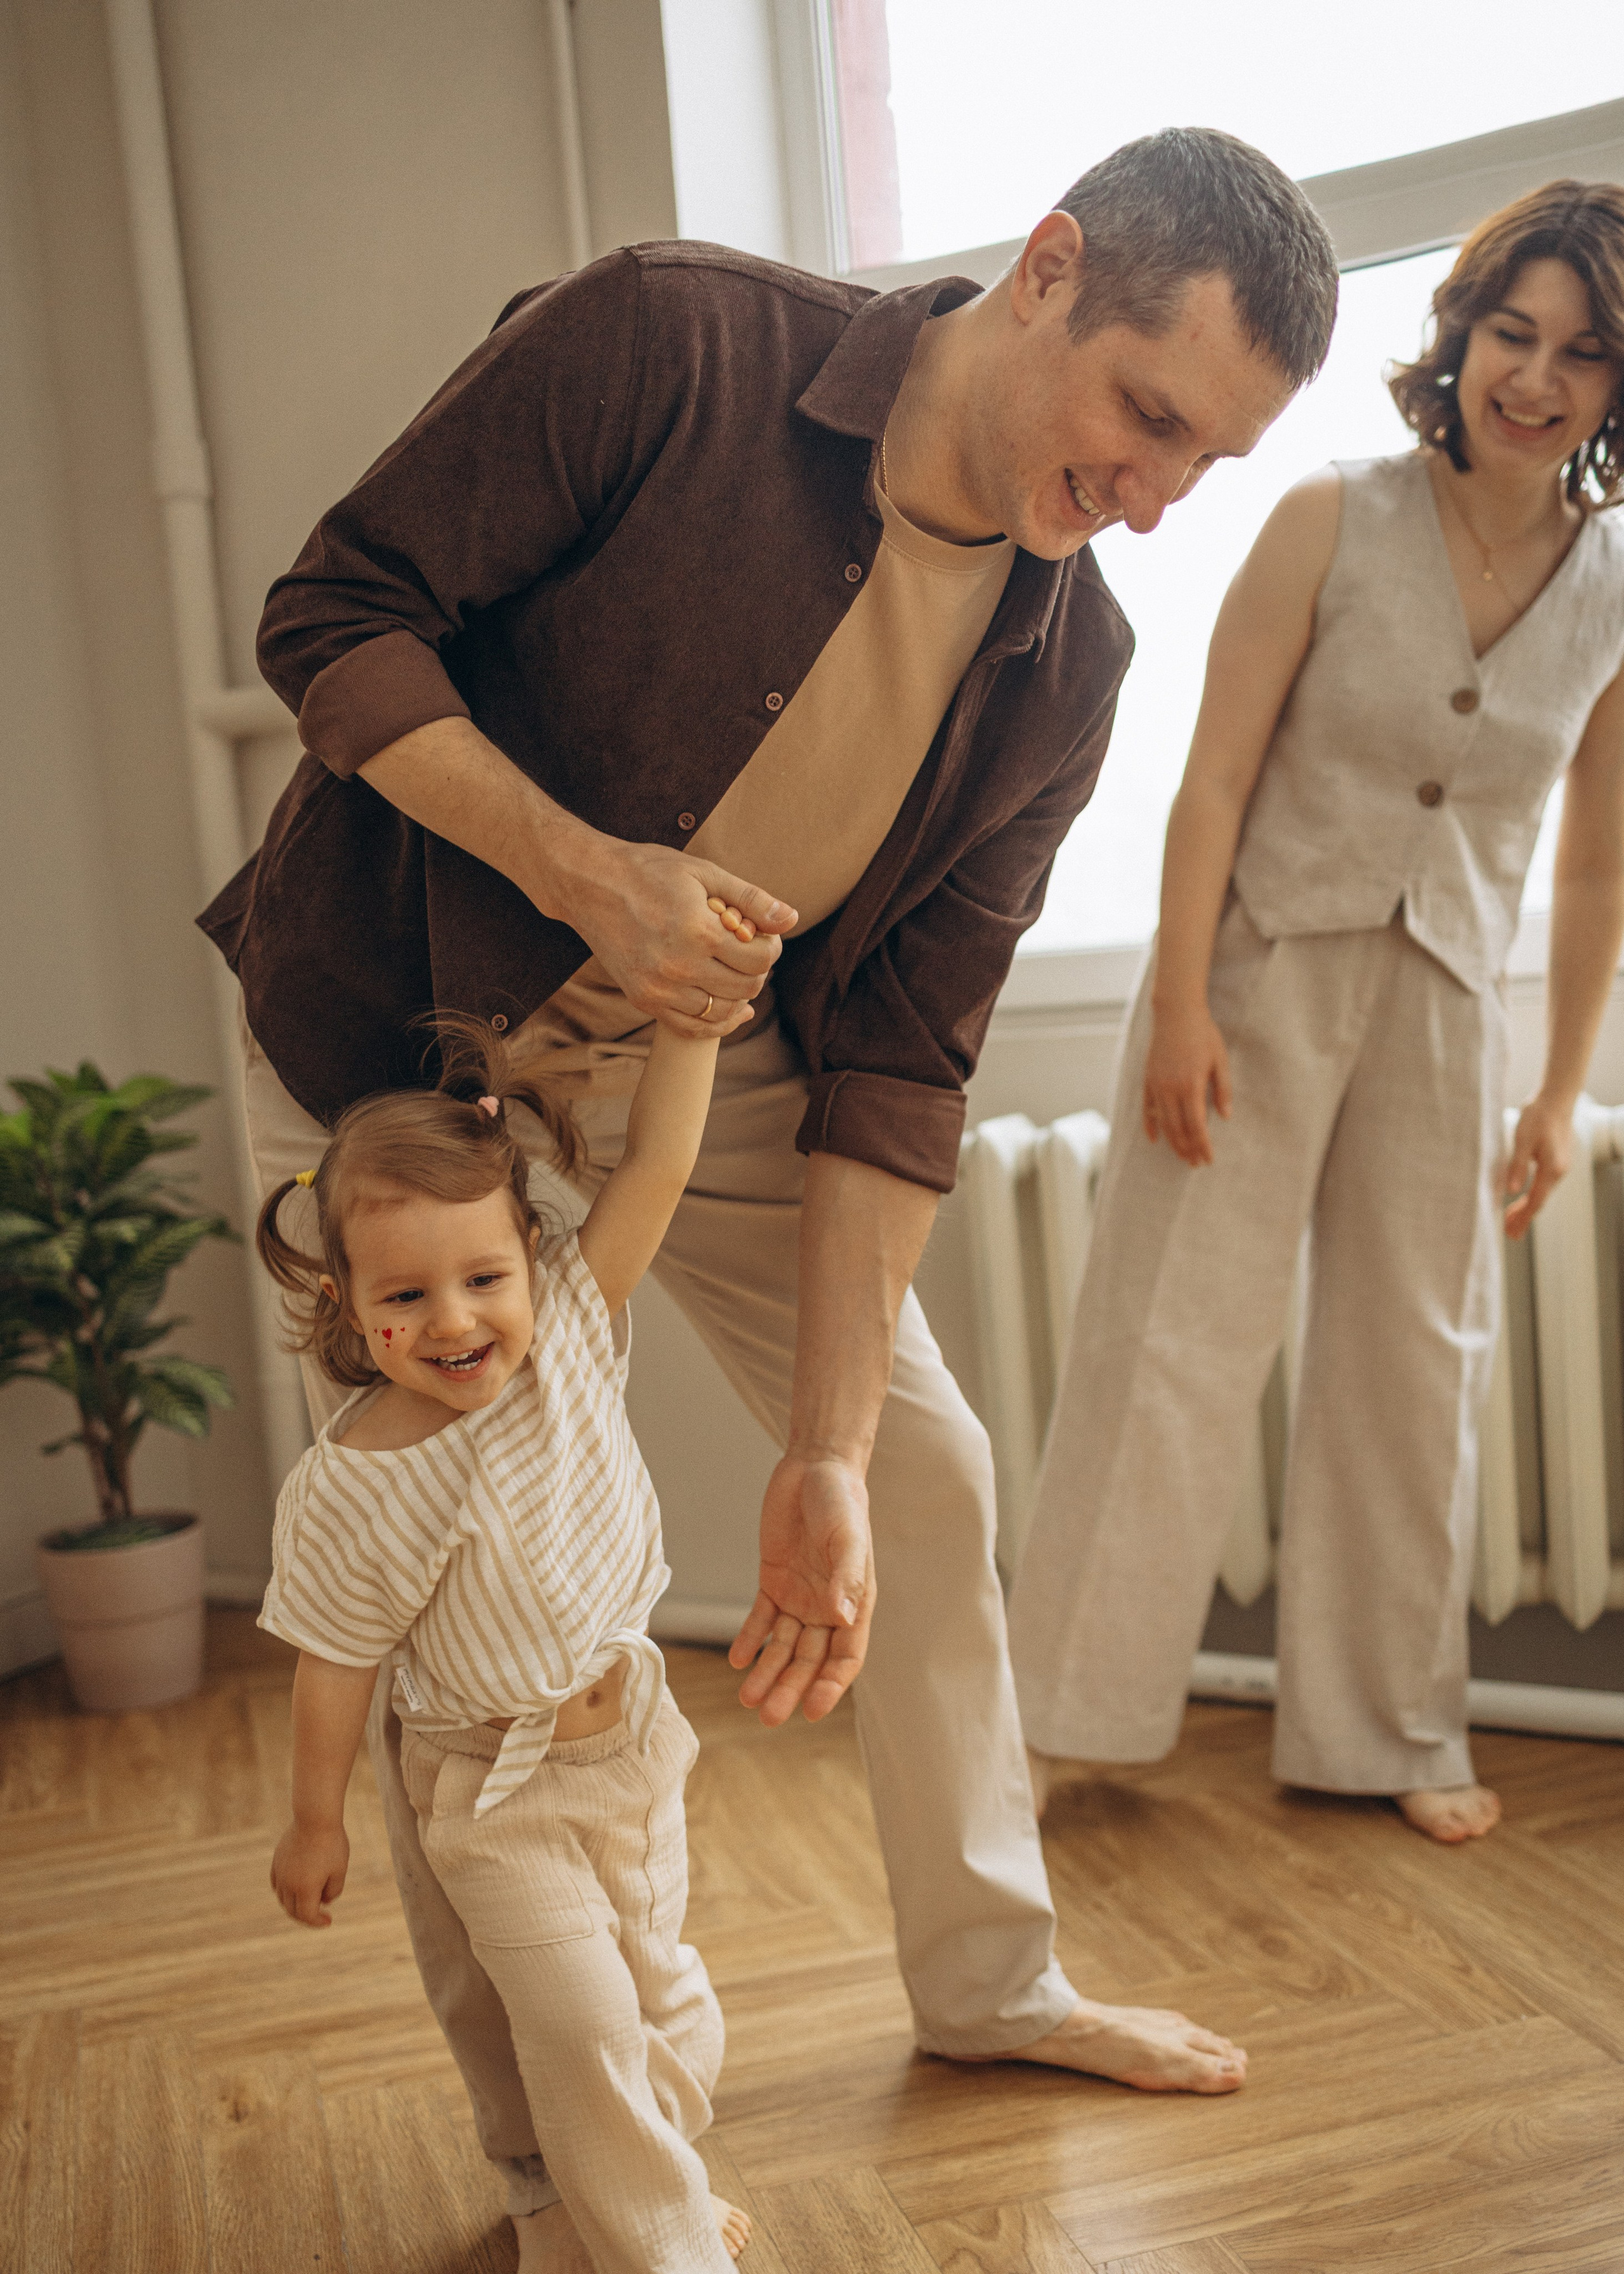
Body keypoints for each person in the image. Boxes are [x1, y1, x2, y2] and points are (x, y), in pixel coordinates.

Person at [202, 127, 1340, 2236]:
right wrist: (578, 865)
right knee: (436, 1579)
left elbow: (901, 1060)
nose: (1159, 500)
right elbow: (333, 616)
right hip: (399, 1042)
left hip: (702, 1077)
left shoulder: (1067, 663)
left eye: (1212, 464)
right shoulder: (672, 342)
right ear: (1050, 269)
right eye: (1147, 419)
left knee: (919, 1464)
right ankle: (547, 2147)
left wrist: (814, 1449)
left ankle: (992, 1973)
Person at [1012, 180, 1624, 1846]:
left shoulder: (1614, 587)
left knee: (1419, 1372)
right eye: (1513, 332)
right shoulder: (1331, 515)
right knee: (1168, 1341)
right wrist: (1189, 1006)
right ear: (1464, 334)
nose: (1536, 376)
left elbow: (1591, 873)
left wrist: (1559, 1089)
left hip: (1443, 1008)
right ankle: (1066, 1713)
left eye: (1581, 351)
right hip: (1256, 971)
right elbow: (1208, 787)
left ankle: (1390, 1734)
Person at [258, 1004, 758, 2271]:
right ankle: (662, 2241)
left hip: (634, 1751)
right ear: (347, 1302)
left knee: (663, 2007)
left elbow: (656, 1163)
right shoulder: (356, 1483)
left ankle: (642, 2175)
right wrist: (316, 1818)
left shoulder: (575, 1330)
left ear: (532, 1261)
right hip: (491, 1793)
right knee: (584, 2025)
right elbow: (334, 1663)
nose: (453, 1319)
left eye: (483, 1278)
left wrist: (693, 1032)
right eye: (407, 1294)